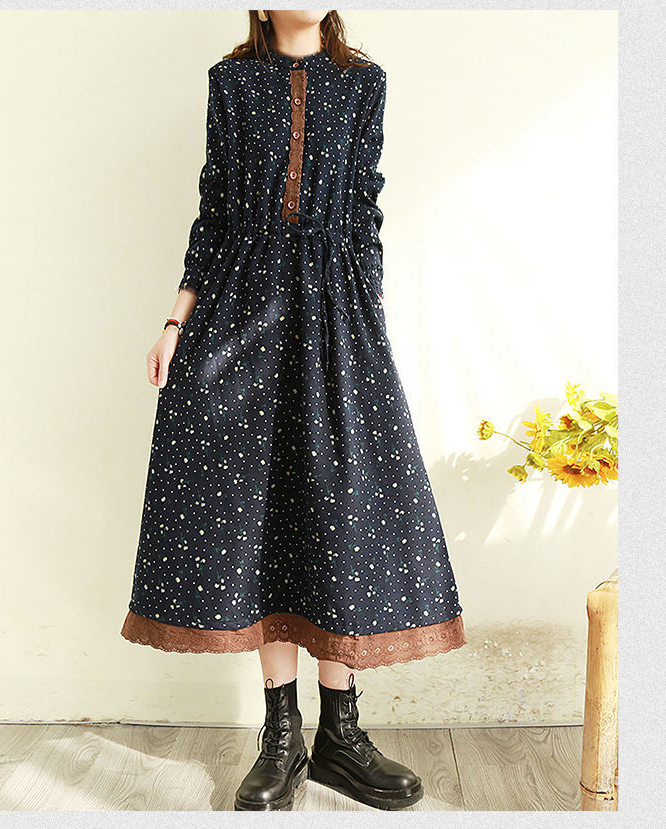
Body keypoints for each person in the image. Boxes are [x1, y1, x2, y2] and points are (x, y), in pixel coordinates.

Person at [120, 10, 467, 812]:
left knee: (339, 507)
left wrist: (366, 322)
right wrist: (175, 323)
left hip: (336, 310)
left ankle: (341, 735)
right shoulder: (232, 81)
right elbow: (215, 209)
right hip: (240, 308)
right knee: (262, 512)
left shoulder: (364, 83)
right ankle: (282, 737)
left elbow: (365, 209)